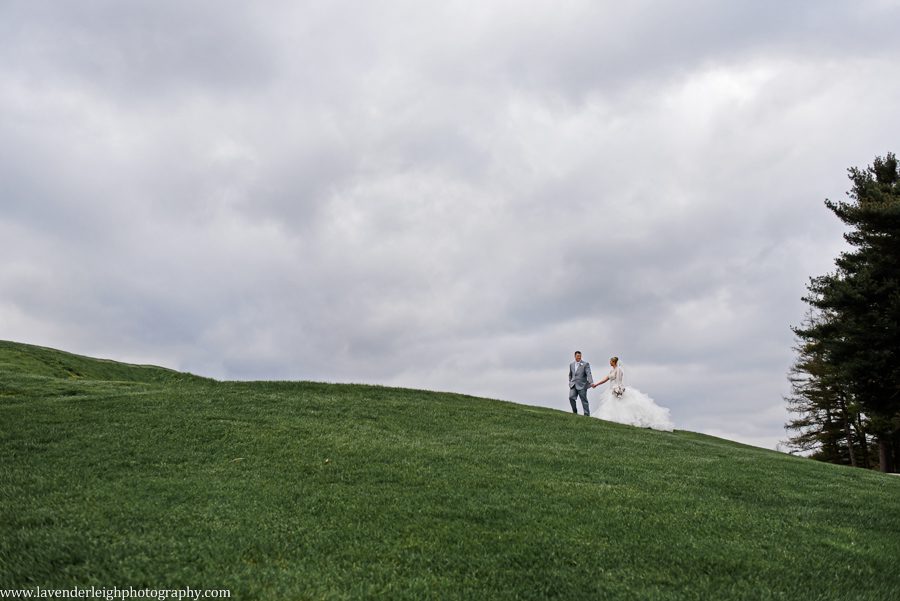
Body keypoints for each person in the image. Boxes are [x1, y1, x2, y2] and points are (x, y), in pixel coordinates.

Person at [591, 357, 674, 431]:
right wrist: (596, 384)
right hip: (611, 390)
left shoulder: (618, 370)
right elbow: (605, 379)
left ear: (614, 362)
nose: (610, 362)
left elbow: (619, 381)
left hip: (617, 389)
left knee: (620, 405)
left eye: (611, 361)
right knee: (611, 406)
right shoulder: (611, 371)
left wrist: (618, 389)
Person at [568, 351, 593, 416]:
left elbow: (589, 374)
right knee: (571, 397)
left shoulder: (585, 364)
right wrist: (570, 382)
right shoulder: (571, 364)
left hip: (582, 385)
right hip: (573, 385)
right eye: (577, 356)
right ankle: (574, 412)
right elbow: (570, 374)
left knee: (584, 400)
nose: (579, 357)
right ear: (575, 356)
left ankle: (587, 414)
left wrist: (591, 382)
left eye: (580, 356)